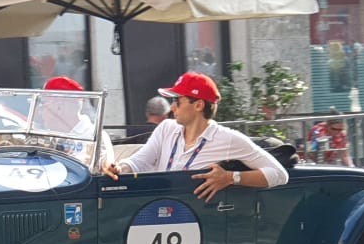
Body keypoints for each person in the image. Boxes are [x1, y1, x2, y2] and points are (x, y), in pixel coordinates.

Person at [103, 72, 289, 201]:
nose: (172, 107)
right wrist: (120, 168)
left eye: (177, 101)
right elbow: (140, 161)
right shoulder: (166, 128)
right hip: (159, 209)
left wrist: (231, 177)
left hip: (196, 218)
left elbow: (280, 175)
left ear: (199, 105)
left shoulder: (229, 138)